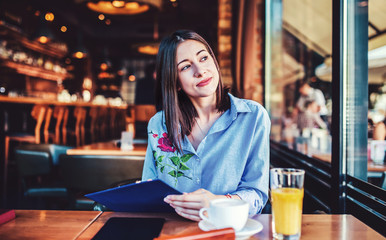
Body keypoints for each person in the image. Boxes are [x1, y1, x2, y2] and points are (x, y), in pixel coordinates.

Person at [141, 30, 270, 221]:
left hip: (229, 230)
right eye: (185, 67)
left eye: (203, 58)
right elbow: (148, 189)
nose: (200, 71)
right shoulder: (159, 124)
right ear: (175, 82)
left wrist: (218, 203)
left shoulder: (253, 117)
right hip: (173, 232)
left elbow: (257, 195)